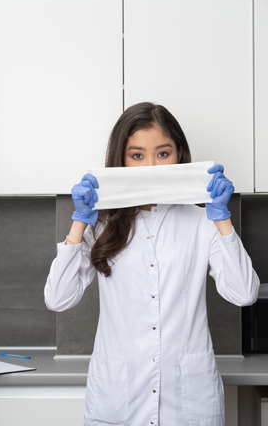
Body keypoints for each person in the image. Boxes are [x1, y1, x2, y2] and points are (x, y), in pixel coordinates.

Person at [45, 102, 259, 426]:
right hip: (118, 401)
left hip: (189, 405)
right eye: (137, 155)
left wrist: (223, 221)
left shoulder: (203, 221)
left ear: (179, 155)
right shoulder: (100, 226)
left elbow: (244, 293)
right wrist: (80, 224)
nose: (150, 166)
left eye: (162, 153)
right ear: (121, 159)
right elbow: (58, 298)